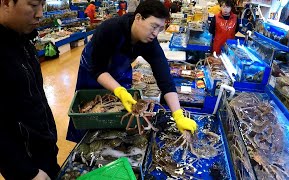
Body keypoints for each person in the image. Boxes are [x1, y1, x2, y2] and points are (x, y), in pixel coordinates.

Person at [67, 0, 197, 143]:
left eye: (160, 29)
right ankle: (83, 145)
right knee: (90, 110)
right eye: (153, 26)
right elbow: (98, 69)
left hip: (120, 71)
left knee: (123, 112)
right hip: (93, 70)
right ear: (138, 18)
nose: (155, 33)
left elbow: (165, 78)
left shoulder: (150, 42)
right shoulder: (109, 29)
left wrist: (178, 114)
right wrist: (119, 91)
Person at [0, 0, 60, 179]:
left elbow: (34, 97)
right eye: (33, 5)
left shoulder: (23, 41)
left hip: (44, 150)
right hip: (26, 165)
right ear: (6, 3)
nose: (40, 13)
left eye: (43, 4)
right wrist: (26, 172)